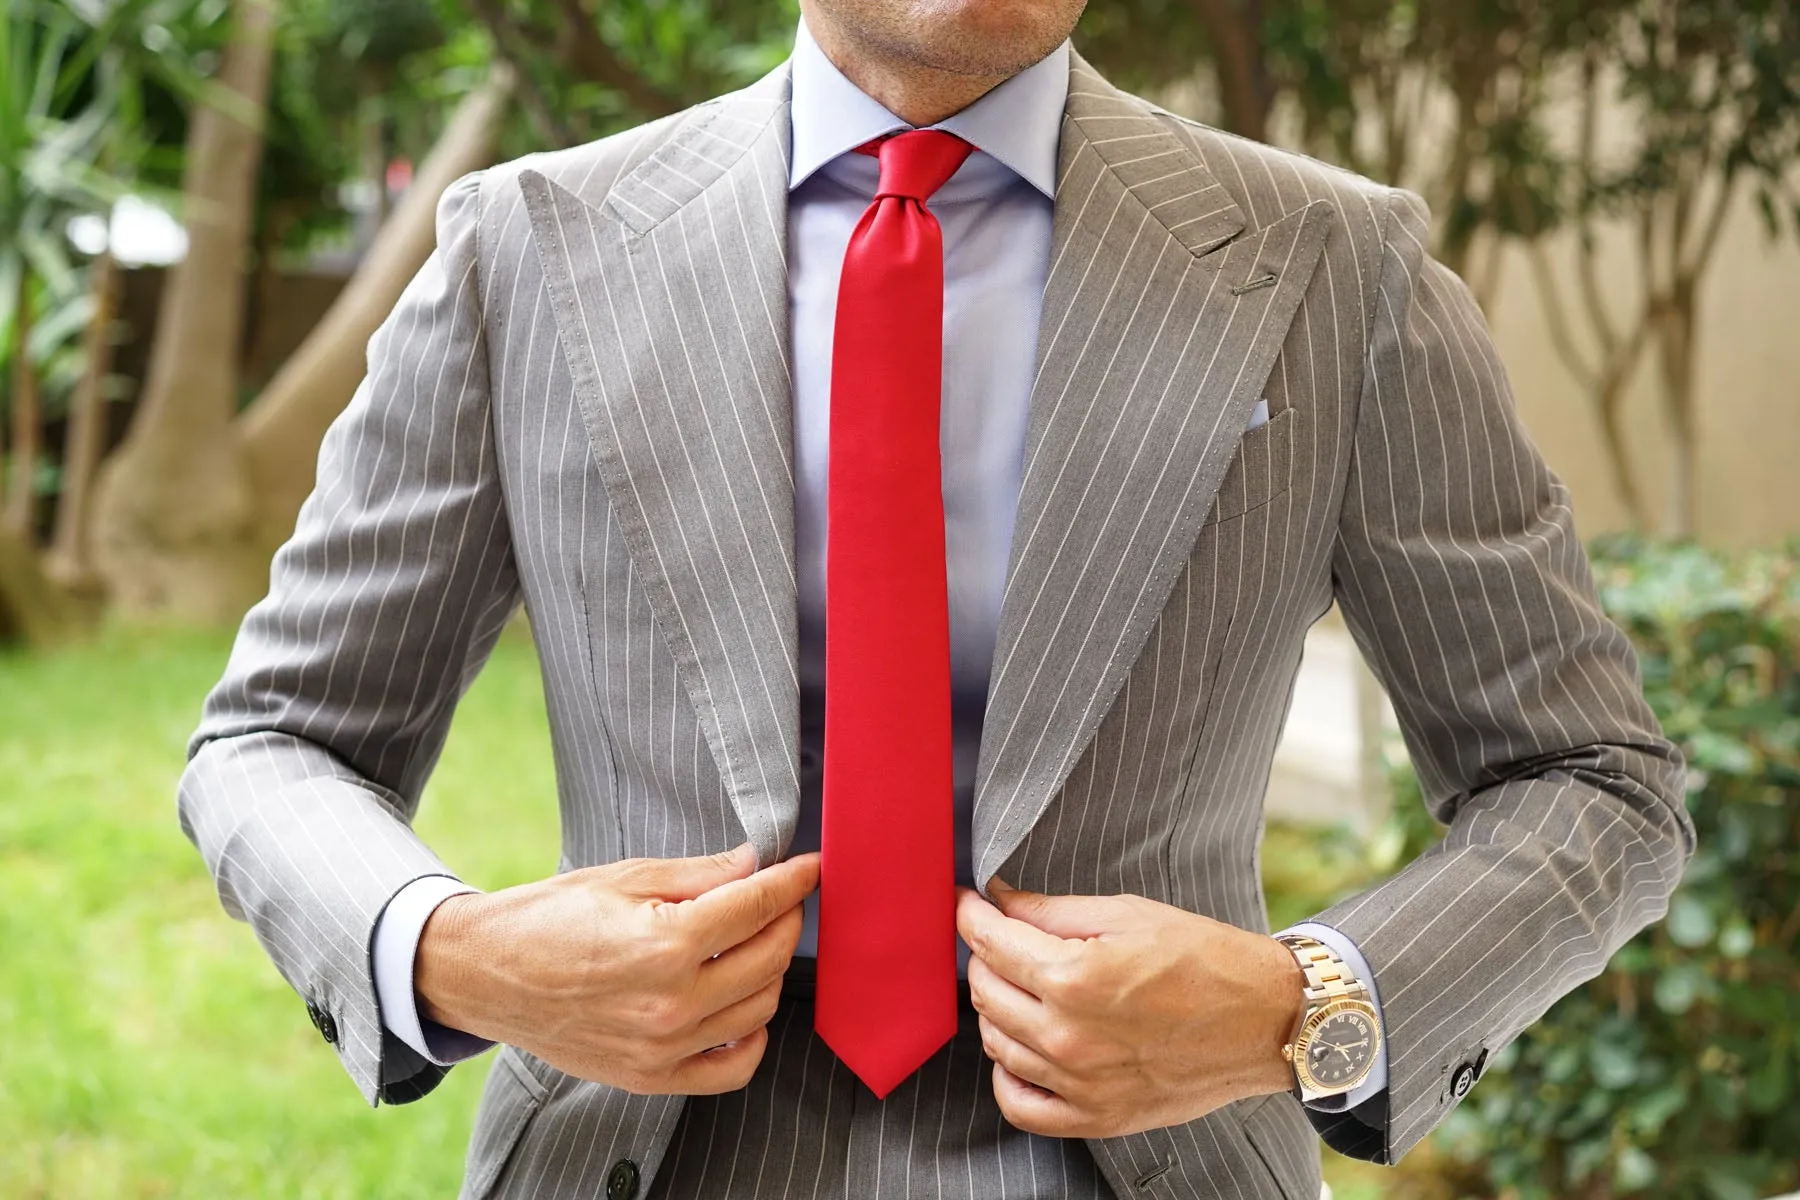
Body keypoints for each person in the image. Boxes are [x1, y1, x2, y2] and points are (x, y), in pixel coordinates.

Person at [178, 1, 1695, 1196]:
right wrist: (453, 954)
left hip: (1151, 1166)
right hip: (639, 1157)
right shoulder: (528, 249)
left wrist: (1300, 1007)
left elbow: (1591, 782)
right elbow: (275, 741)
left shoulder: (1337, 270)